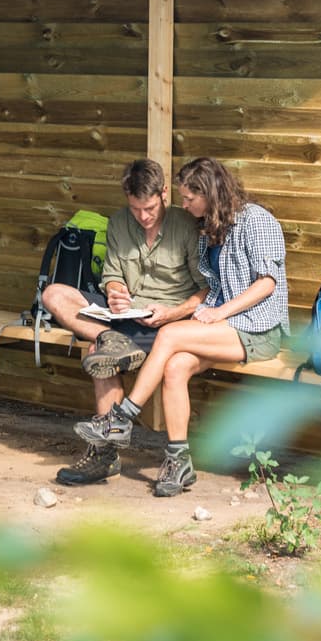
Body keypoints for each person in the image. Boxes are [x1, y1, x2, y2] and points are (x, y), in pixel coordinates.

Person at [71, 157, 290, 498]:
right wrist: (190, 311)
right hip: (221, 327)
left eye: (189, 198)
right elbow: (211, 286)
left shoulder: (256, 220)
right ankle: (179, 462)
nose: (184, 205)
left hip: (257, 328)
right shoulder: (210, 229)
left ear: (209, 193)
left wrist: (219, 312)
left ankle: (122, 417)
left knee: (170, 334)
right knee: (175, 366)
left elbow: (267, 283)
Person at [43, 158, 204, 487]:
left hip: (168, 321)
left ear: (164, 194)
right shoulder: (118, 222)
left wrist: (172, 313)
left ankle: (106, 454)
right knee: (54, 294)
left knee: (97, 354)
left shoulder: (187, 224)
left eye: (149, 208)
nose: (143, 217)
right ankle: (109, 338)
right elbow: (112, 275)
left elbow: (206, 289)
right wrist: (116, 293)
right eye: (135, 209)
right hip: (126, 315)